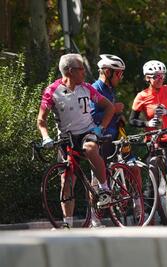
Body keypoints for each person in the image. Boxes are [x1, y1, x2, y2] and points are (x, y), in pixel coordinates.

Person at [37, 53, 114, 228]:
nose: (84, 73)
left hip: (87, 132)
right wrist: (46, 137)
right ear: (70, 71)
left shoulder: (86, 88)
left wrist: (99, 128)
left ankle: (104, 188)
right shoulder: (52, 91)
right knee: (67, 180)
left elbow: (109, 107)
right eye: (81, 69)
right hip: (66, 138)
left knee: (90, 148)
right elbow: (41, 120)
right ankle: (68, 224)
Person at [90, 54, 126, 227]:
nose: (121, 77)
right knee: (96, 178)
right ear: (107, 72)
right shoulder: (95, 88)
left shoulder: (110, 89)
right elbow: (91, 116)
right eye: (118, 73)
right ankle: (94, 218)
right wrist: (114, 109)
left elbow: (110, 114)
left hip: (112, 135)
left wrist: (118, 115)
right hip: (100, 137)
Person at [129, 60, 167, 167]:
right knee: (153, 167)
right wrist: (147, 123)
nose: (160, 79)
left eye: (162, 76)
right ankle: (152, 183)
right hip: (154, 138)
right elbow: (132, 120)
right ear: (147, 78)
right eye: (156, 77)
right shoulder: (142, 96)